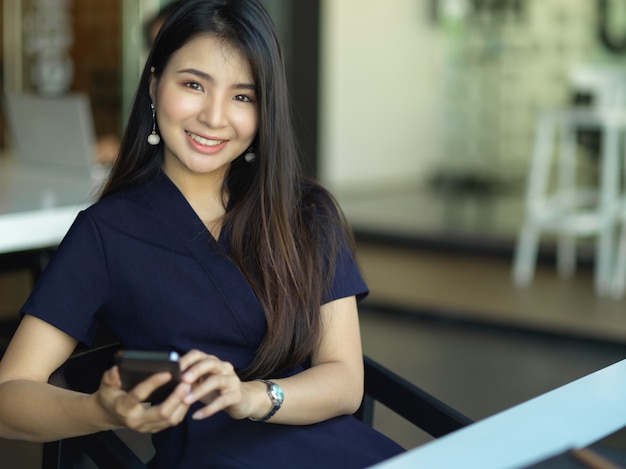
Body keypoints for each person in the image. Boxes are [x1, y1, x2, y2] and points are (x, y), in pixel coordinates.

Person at [0, 1, 405, 467]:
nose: (215, 117)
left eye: (243, 96)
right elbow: (10, 398)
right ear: (154, 84)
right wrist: (97, 409)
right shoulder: (107, 232)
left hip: (342, 451)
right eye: (194, 85)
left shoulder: (307, 214)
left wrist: (252, 397)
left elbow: (344, 381)